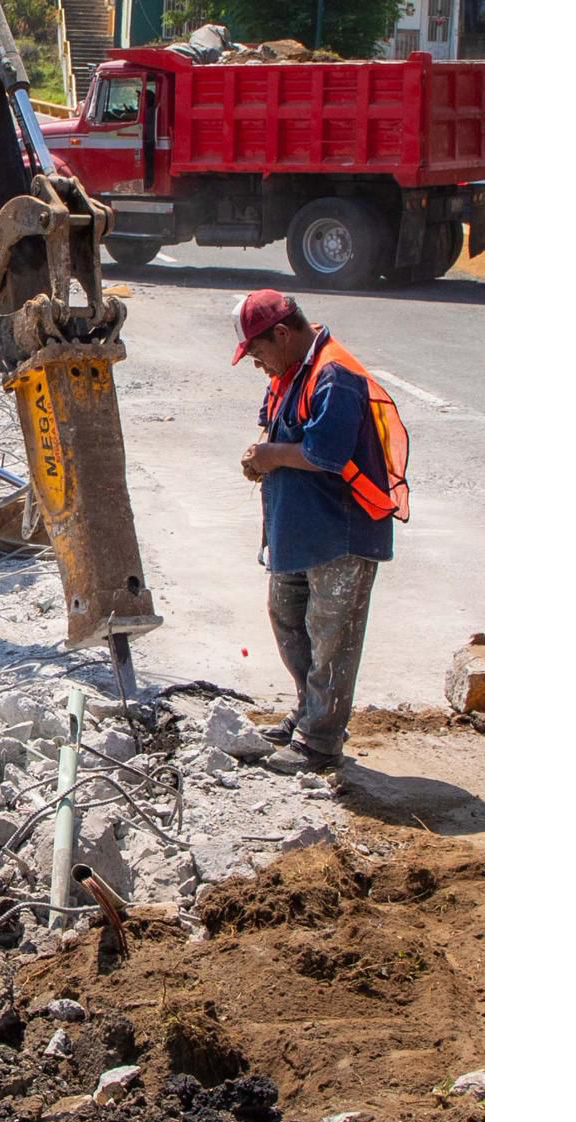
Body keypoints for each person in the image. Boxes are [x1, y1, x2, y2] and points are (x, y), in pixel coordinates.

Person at [233, 289, 411, 774]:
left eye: (258, 352)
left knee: (331, 636)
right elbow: (281, 433)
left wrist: (270, 457)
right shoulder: (291, 374)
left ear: (283, 335)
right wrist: (262, 458)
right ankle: (307, 713)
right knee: (288, 618)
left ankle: (320, 741)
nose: (257, 364)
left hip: (342, 533)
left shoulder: (335, 375)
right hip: (301, 532)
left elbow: (325, 454)